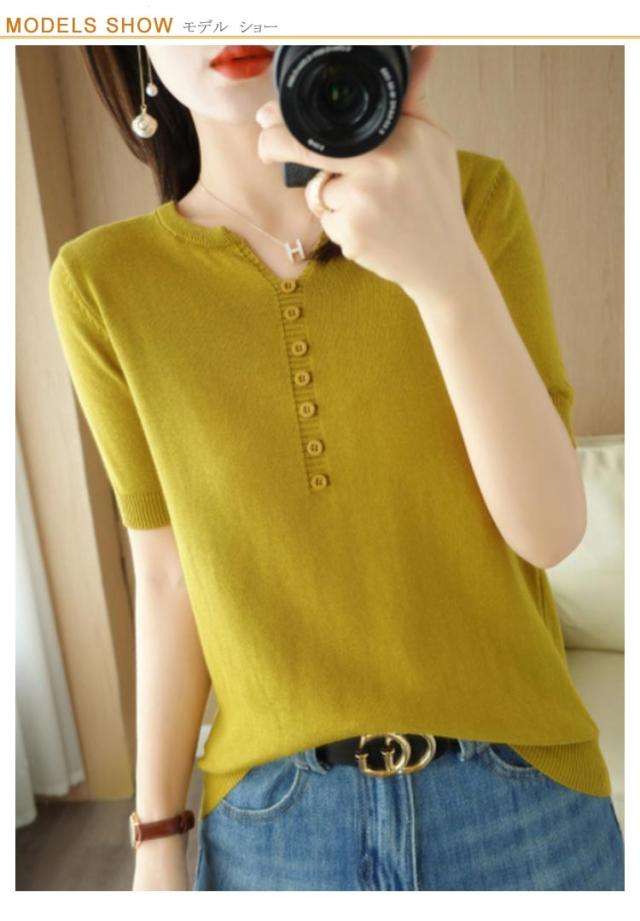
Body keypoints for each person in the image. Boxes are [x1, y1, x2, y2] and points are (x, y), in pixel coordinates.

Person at [48, 44, 624, 890]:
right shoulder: (102, 282)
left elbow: (550, 531)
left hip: (523, 804)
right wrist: (158, 834)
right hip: (275, 832)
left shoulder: (471, 198)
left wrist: (445, 271)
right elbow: (168, 576)